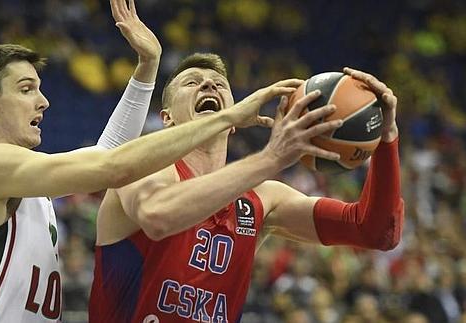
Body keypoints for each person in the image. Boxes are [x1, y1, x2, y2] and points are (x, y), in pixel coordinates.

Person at [0, 0, 300, 321]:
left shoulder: (24, 179)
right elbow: (113, 167)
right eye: (26, 89)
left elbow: (107, 155)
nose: (43, 101)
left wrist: (148, 65)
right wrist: (228, 117)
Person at [90, 53, 404, 322]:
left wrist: (387, 137)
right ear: (167, 118)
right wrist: (271, 158)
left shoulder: (262, 199)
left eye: (219, 83)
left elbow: (374, 231)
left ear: (237, 118)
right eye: (191, 82)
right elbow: (158, 216)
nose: (209, 84)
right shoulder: (139, 167)